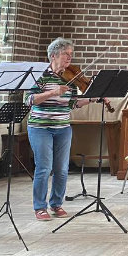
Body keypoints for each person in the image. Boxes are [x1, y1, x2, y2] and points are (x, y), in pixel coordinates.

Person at [27, 38, 91, 221]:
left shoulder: (70, 78)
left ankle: (56, 204)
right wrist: (52, 93)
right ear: (53, 55)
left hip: (63, 127)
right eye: (65, 54)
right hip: (40, 127)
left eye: (71, 54)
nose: (69, 58)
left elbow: (72, 104)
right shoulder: (40, 75)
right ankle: (40, 207)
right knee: (44, 168)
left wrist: (92, 99)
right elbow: (29, 100)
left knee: (62, 169)